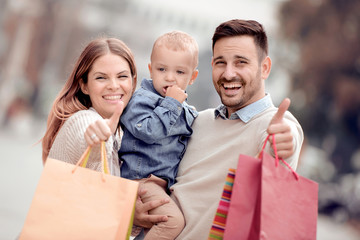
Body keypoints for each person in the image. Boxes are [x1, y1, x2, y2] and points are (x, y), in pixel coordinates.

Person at [132, 19, 304, 240]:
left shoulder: (272, 125)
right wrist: (135, 212)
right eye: (221, 62)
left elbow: (286, 137)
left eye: (241, 62)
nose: (229, 73)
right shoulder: (195, 121)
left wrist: (284, 142)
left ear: (265, 68)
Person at [118, 31, 199, 240]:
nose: (170, 77)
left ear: (192, 77)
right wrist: (171, 104)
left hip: (161, 185)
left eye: (180, 72)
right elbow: (147, 132)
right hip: (139, 180)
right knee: (172, 222)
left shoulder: (187, 110)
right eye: (162, 69)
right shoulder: (142, 100)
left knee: (150, 229)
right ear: (151, 70)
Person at [42, 37, 137, 176]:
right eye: (101, 78)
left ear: (133, 83)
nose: (114, 86)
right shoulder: (82, 119)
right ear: (84, 86)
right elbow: (86, 135)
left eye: (122, 76)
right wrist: (96, 139)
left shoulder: (122, 135)